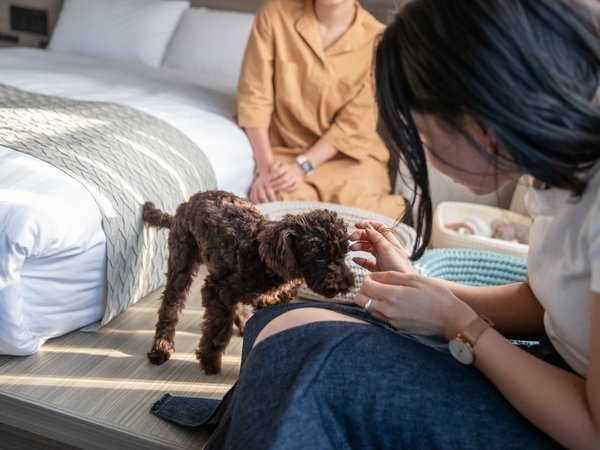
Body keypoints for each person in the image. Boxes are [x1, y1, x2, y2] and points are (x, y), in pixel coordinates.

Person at [151, 0, 599, 447]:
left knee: (306, 356)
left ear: (483, 114)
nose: (424, 154)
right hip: (549, 366)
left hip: (567, 415)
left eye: (425, 136)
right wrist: (421, 287)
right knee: (276, 323)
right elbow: (546, 304)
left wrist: (459, 324)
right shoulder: (557, 177)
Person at [237, 0, 406, 217]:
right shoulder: (275, 14)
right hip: (285, 152)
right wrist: (267, 169)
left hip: (349, 157)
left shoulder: (378, 41)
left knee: (364, 208)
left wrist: (302, 167)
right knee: (275, 205)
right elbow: (254, 98)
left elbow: (353, 124)